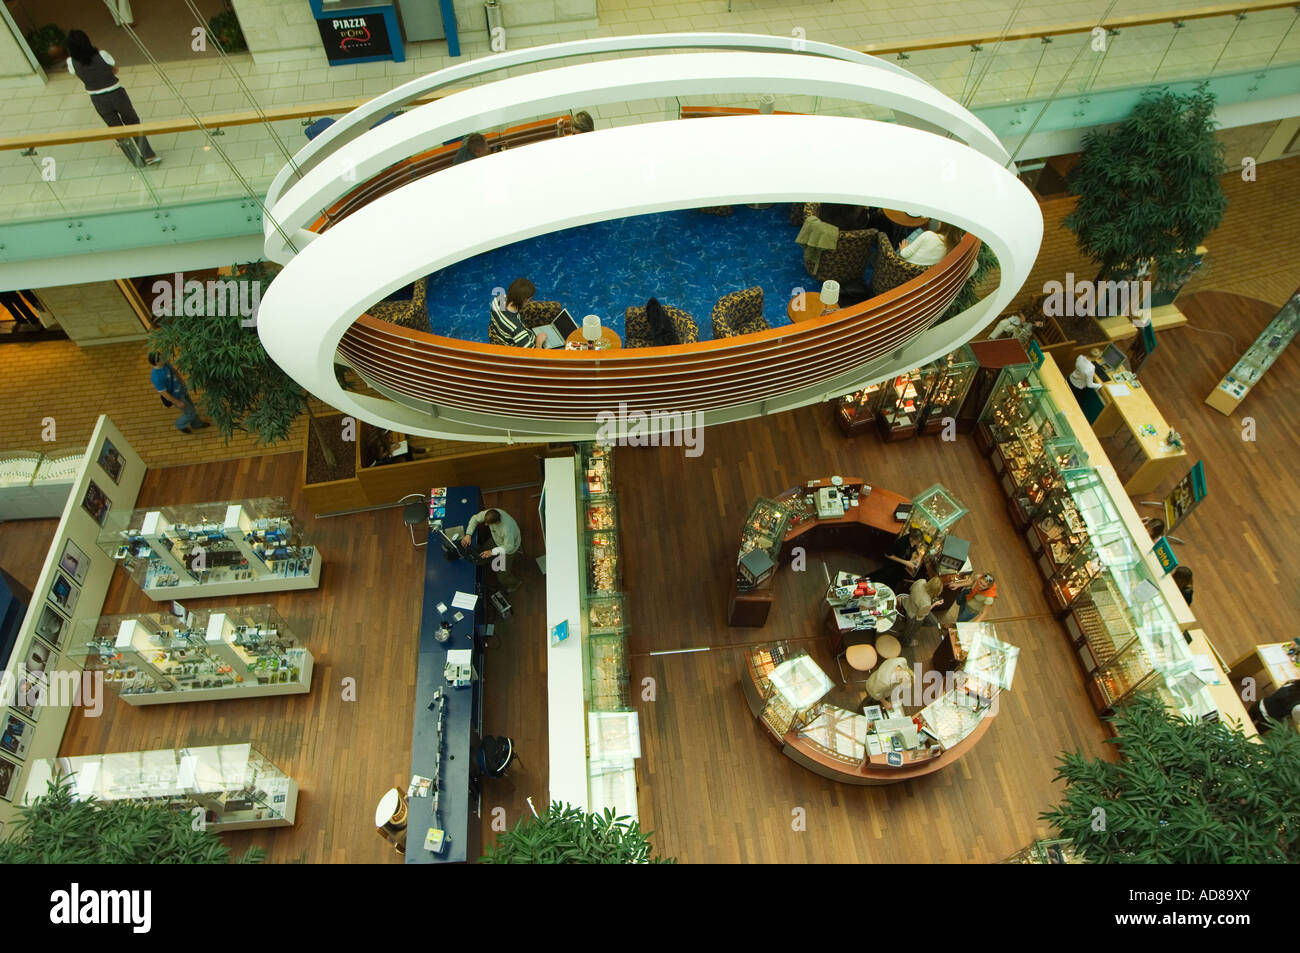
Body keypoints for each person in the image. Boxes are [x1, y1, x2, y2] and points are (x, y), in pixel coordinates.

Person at [66, 30, 160, 168]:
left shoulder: (71, 62)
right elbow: (114, 70)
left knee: (116, 129)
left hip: (97, 98)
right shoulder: (102, 54)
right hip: (116, 93)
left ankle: (136, 161)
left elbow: (78, 75)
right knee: (132, 122)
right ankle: (149, 155)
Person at [462, 507, 523, 591]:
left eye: (488, 524)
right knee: (481, 555)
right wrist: (468, 534)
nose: (486, 525)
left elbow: (509, 547)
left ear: (498, 522)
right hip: (496, 540)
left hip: (508, 549)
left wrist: (492, 551)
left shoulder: (507, 529)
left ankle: (514, 584)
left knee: (502, 577)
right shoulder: (490, 513)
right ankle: (492, 559)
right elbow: (475, 518)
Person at [148, 353, 209, 434]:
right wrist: (177, 402)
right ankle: (180, 424)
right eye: (161, 358)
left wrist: (182, 381)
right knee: (190, 413)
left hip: (181, 389)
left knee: (191, 407)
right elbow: (164, 393)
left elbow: (174, 371)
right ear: (156, 362)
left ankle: (196, 424)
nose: (164, 358)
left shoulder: (165, 363)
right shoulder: (156, 377)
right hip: (176, 397)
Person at [489, 278, 547, 349]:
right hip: (522, 343)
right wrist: (539, 342)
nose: (530, 301)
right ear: (524, 301)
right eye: (529, 300)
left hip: (500, 333)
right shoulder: (517, 329)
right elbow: (533, 354)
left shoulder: (499, 299)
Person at [899, 576, 944, 646]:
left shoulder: (921, 581)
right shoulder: (926, 602)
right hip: (914, 616)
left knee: (934, 622)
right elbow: (921, 614)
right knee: (909, 633)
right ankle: (905, 642)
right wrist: (934, 604)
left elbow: (911, 588)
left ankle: (907, 627)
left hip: (907, 602)